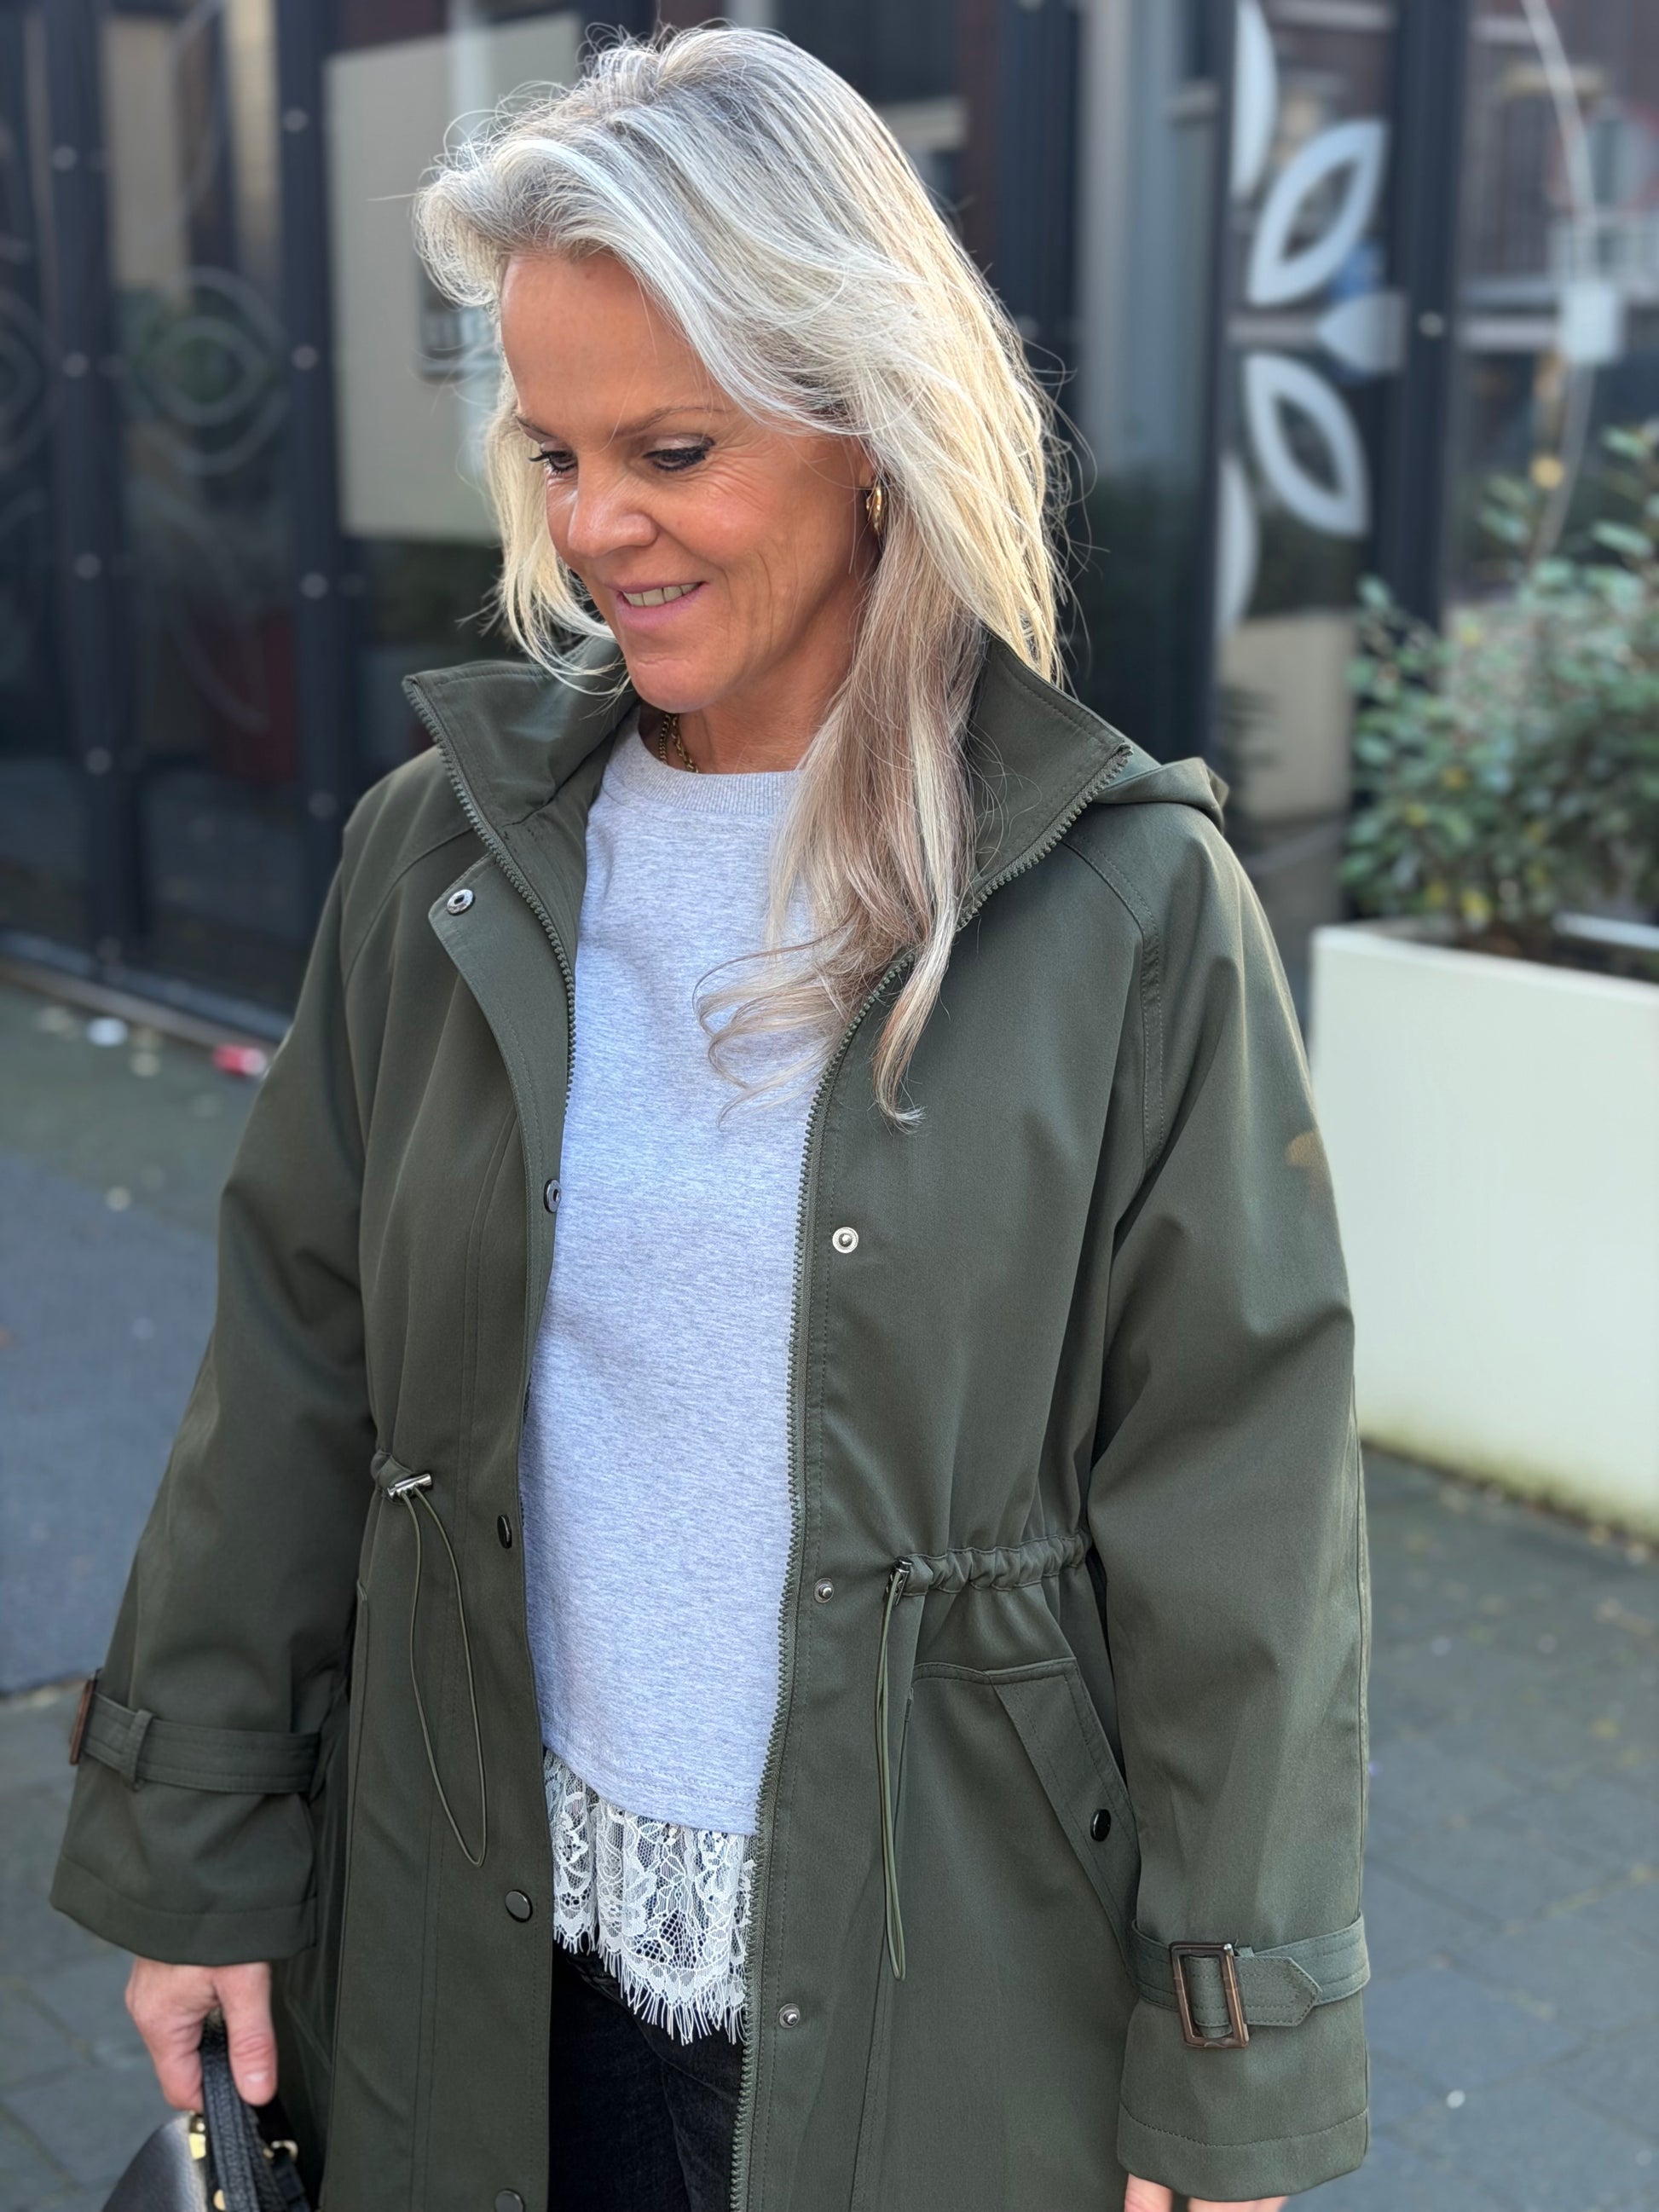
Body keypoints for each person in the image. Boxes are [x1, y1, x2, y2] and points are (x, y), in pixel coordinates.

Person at [54, 27, 1370, 2212]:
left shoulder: (1124, 907)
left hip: (939, 1999)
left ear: (870, 425)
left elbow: (1241, 1522)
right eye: (555, 450)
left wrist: (1232, 2072)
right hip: (467, 1954)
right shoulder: (431, 860)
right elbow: (288, 1379)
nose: (594, 527)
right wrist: (194, 1846)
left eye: (670, 447)